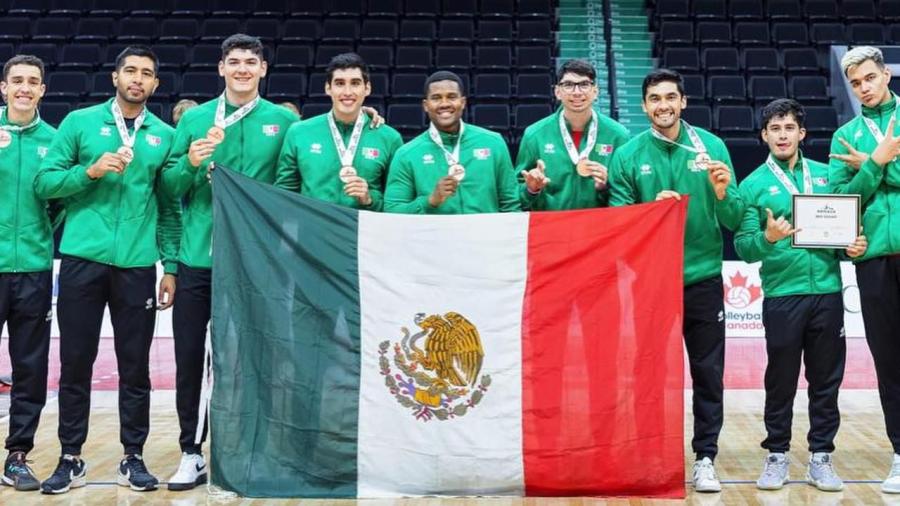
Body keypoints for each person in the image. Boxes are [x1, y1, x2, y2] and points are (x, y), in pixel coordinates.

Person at [33, 46, 180, 494]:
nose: (138, 79)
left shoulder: (164, 136)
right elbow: (44, 183)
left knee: (135, 367)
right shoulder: (79, 123)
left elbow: (170, 207)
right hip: (82, 261)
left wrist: (170, 266)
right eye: (130, 71)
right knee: (76, 363)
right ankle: (70, 457)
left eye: (147, 73)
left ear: (155, 84)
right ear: (115, 77)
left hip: (137, 266)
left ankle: (133, 457)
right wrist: (90, 172)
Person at [159, 33, 299, 491]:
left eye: (250, 62)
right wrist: (190, 163)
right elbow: (169, 188)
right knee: (190, 359)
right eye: (234, 61)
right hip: (199, 259)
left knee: (260, 357)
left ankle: (263, 450)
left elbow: (297, 180)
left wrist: (372, 121)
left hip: (257, 261)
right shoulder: (195, 119)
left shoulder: (284, 122)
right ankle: (191, 452)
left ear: (263, 70)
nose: (242, 69)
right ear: (221, 68)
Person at [608, 69, 743, 493]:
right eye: (655, 98)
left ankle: (705, 457)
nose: (663, 105)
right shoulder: (627, 155)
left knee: (708, 374)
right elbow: (618, 224)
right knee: (647, 375)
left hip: (702, 277)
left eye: (670, 97)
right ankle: (647, 457)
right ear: (644, 106)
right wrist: (651, 209)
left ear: (683, 101)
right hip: (650, 281)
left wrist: (723, 193)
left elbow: (734, 218)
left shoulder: (711, 147)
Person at [736, 99, 868, 492]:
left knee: (826, 380)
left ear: (802, 133)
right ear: (764, 135)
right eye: (775, 129)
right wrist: (767, 237)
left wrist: (852, 248)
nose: (782, 135)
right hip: (782, 295)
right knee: (781, 379)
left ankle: (821, 456)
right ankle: (777, 454)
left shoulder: (827, 176)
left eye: (789, 128)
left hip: (828, 293)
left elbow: (843, 239)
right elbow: (744, 247)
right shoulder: (752, 185)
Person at [829, 46, 900, 493]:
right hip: (872, 260)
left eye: (870, 78)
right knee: (889, 360)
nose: (863, 88)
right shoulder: (845, 137)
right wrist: (877, 161)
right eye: (855, 83)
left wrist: (875, 165)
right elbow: (842, 199)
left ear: (886, 75)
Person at [0, 54, 56, 492]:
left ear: (42, 90)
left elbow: (61, 202)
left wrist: (40, 238)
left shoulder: (55, 141)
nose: (24, 88)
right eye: (16, 80)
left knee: (30, 367)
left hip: (34, 270)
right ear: (3, 88)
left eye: (32, 82)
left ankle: (17, 455)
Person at [274, 52, 402, 210]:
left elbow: (396, 203)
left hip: (362, 225)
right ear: (328, 88)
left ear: (367, 88)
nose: (347, 92)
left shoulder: (389, 138)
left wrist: (370, 199)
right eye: (340, 83)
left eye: (355, 83)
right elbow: (285, 193)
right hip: (313, 224)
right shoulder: (299, 132)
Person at [384, 71, 520, 214]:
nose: (444, 104)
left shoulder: (493, 143)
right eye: (436, 98)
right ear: (425, 105)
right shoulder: (407, 154)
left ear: (463, 102)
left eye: (451, 97)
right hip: (434, 230)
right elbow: (393, 210)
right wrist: (430, 201)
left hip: (486, 229)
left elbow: (511, 205)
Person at [516, 59, 630, 210]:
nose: (577, 92)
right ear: (557, 92)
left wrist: (605, 187)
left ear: (595, 91)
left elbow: (626, 196)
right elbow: (515, 194)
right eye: (568, 85)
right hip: (551, 223)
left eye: (584, 84)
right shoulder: (535, 135)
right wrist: (531, 189)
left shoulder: (618, 135)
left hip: (599, 223)